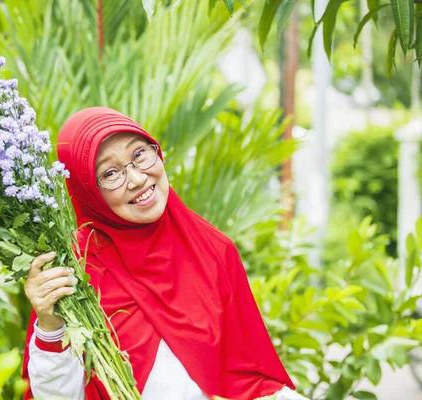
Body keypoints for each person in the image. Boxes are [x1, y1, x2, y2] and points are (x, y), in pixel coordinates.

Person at [21, 107, 308, 400]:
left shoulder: (214, 251)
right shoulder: (72, 271)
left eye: (139, 154)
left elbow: (251, 380)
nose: (136, 178)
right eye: (110, 173)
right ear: (87, 191)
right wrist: (49, 325)